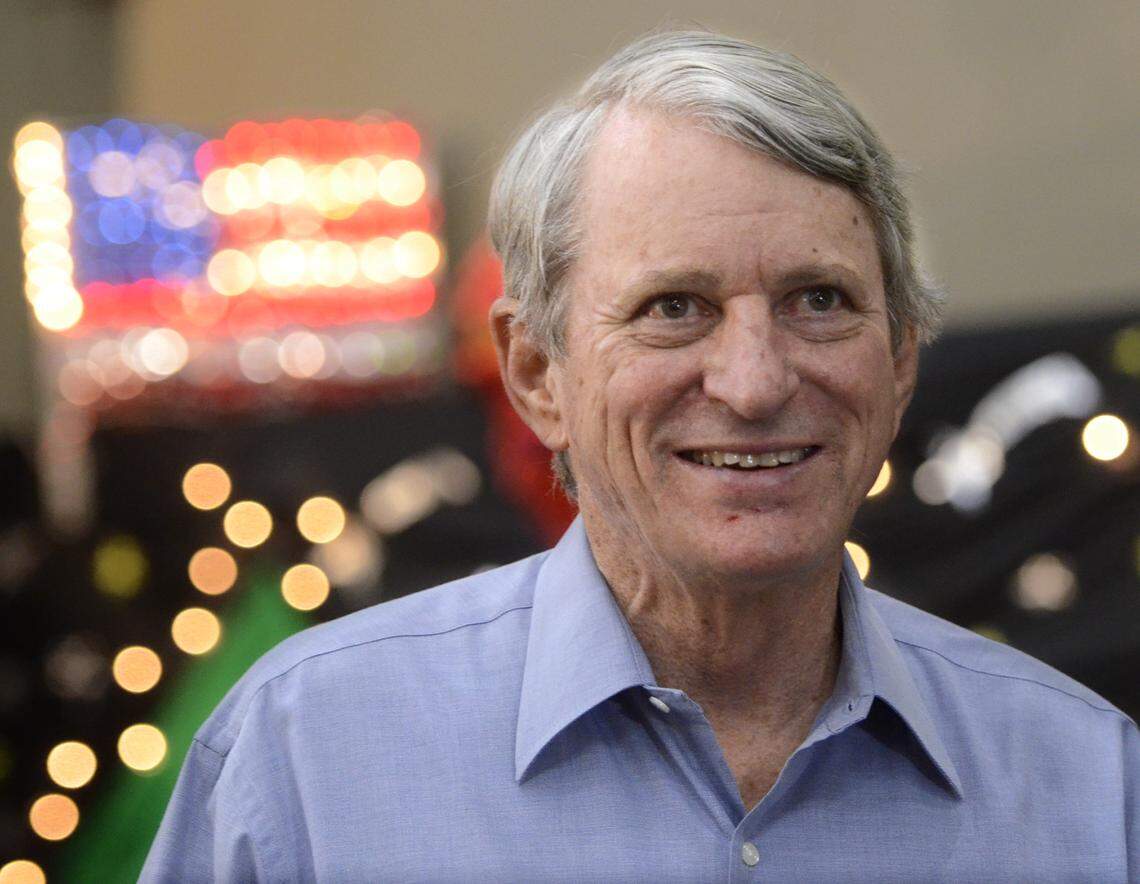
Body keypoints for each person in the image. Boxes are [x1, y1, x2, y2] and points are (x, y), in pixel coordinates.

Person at [142, 30, 1138, 882]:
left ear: (902, 361)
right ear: (537, 373)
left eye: (819, 301)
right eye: (675, 308)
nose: (753, 381)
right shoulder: (307, 753)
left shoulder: (1085, 783)